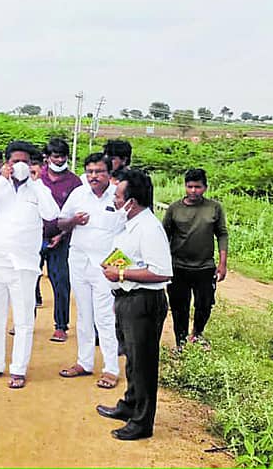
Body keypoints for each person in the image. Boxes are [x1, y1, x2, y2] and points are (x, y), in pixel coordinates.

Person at [0, 141, 60, 389]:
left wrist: (36, 182)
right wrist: (2, 181)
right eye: (14, 162)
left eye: (24, 161)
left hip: (24, 266)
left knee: (23, 321)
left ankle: (19, 369)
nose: (19, 166)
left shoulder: (38, 189)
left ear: (32, 164)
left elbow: (51, 214)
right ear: (7, 163)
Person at [97, 168, 172, 441]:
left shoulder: (150, 228)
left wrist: (120, 274)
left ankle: (142, 422)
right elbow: (132, 257)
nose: (114, 200)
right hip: (128, 299)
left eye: (118, 195)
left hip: (144, 302)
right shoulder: (132, 225)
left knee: (144, 364)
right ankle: (129, 405)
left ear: (133, 200)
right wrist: (114, 264)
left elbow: (162, 271)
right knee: (132, 358)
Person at [55, 153, 121, 389]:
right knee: (83, 314)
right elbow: (60, 223)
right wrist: (73, 221)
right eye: (90, 171)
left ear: (108, 173)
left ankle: (111, 368)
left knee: (104, 316)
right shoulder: (78, 193)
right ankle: (84, 363)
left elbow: (129, 234)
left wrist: (118, 267)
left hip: (106, 267)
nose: (94, 176)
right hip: (79, 261)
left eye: (99, 172)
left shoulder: (119, 197)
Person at [163, 168, 228, 348]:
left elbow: (222, 234)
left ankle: (197, 334)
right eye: (190, 186)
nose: (193, 191)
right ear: (185, 186)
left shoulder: (214, 208)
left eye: (197, 187)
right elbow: (163, 236)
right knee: (179, 308)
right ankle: (181, 343)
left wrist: (222, 263)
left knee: (205, 305)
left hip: (205, 267)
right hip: (178, 267)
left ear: (205, 188)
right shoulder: (174, 209)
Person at [39, 138, 82, 343]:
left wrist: (61, 234)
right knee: (28, 281)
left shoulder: (75, 182)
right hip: (34, 239)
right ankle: (25, 320)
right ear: (47, 158)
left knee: (61, 282)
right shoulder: (37, 178)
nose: (60, 159)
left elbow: (78, 214)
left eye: (63, 156)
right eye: (55, 156)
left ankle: (61, 326)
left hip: (63, 240)